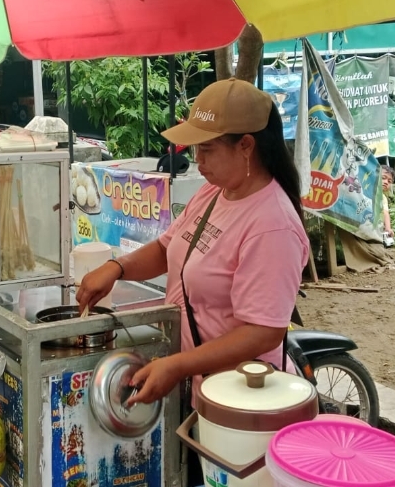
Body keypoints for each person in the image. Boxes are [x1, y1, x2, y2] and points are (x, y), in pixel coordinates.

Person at [76, 78, 310, 486]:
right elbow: (167, 248)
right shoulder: (213, 194)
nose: (197, 160)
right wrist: (116, 268)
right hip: (198, 388)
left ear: (246, 146)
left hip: (238, 408)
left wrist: (177, 365)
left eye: (208, 149)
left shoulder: (272, 225)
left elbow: (264, 331)